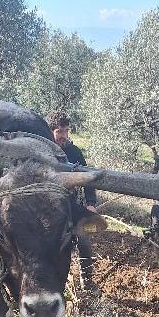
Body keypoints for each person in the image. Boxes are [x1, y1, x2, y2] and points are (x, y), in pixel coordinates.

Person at [47, 111, 100, 293]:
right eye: (59, 131)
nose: (64, 136)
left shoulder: (75, 152)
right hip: (47, 208)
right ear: (50, 131)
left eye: (66, 131)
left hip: (71, 206)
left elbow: (88, 179)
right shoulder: (42, 151)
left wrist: (91, 203)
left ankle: (87, 281)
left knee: (84, 241)